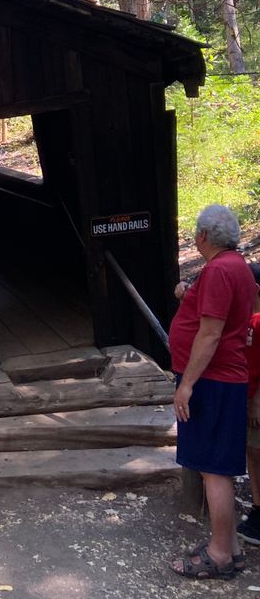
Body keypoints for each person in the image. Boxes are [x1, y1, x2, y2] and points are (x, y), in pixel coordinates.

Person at [168, 205, 257, 580]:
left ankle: (219, 554)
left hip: (212, 380)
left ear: (203, 236)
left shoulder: (221, 270)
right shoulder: (237, 266)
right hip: (223, 379)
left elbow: (210, 332)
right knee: (215, 466)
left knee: (212, 469)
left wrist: (187, 384)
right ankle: (231, 547)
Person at [237, 264, 260, 545]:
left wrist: (256, 401)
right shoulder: (245, 318)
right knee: (253, 453)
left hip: (256, 401)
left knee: (256, 453)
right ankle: (256, 506)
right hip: (246, 395)